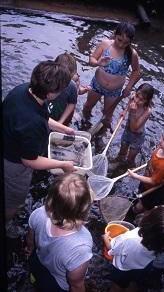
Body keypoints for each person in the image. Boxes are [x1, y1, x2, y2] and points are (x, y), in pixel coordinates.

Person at [3, 60, 77, 225]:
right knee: (14, 202)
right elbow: (28, 160)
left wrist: (63, 129)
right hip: (13, 164)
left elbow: (42, 116)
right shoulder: (32, 123)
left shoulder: (23, 90)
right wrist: (63, 164)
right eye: (62, 89)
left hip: (8, 141)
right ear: (51, 94)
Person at [25, 173, 93, 292]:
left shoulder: (39, 213)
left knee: (36, 277)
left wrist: (30, 251)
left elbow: (30, 240)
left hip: (37, 260)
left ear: (51, 199)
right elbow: (76, 285)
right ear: (84, 209)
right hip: (56, 284)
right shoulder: (81, 246)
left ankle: (34, 280)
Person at [102, 205, 164, 292]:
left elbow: (111, 248)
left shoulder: (130, 239)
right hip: (144, 266)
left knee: (117, 284)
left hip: (124, 268)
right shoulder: (162, 242)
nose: (155, 206)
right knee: (134, 282)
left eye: (156, 209)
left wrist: (105, 238)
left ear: (148, 221)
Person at [83, 21, 140, 128]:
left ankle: (101, 135)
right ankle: (84, 125)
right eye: (119, 40)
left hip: (114, 91)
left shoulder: (132, 54)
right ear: (115, 34)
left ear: (130, 42)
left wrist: (128, 87)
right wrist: (97, 63)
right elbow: (91, 59)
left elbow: (136, 71)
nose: (121, 44)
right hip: (97, 85)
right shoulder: (105, 44)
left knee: (107, 115)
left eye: (126, 43)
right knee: (87, 107)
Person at [128, 126, 164, 192]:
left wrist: (136, 176)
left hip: (149, 187)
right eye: (162, 137)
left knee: (141, 196)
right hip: (147, 176)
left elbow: (153, 181)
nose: (160, 141)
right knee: (140, 188)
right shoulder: (163, 148)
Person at [116, 83, 154, 168]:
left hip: (137, 136)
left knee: (130, 159)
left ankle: (132, 170)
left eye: (141, 100)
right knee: (122, 153)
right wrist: (125, 111)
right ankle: (118, 166)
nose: (136, 101)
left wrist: (133, 112)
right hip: (127, 130)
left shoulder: (147, 111)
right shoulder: (133, 96)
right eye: (137, 96)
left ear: (147, 101)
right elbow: (130, 101)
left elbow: (135, 128)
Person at [47, 52, 91, 125]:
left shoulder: (73, 85)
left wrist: (85, 90)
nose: (66, 81)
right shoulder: (48, 81)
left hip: (64, 110)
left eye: (69, 78)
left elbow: (73, 101)